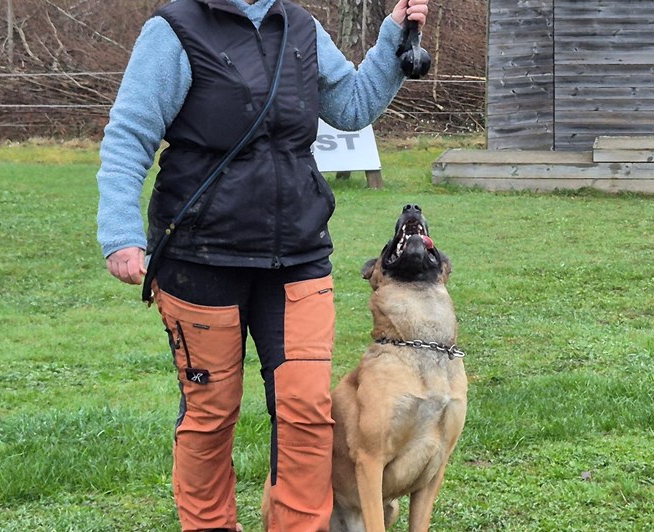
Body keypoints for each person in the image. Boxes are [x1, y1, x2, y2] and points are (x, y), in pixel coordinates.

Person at [94, 0, 430, 530]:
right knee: (210, 413)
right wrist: (120, 234)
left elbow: (351, 105)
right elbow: (129, 134)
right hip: (200, 257)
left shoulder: (300, 26)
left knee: (307, 412)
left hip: (297, 254)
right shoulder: (175, 30)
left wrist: (394, 36)